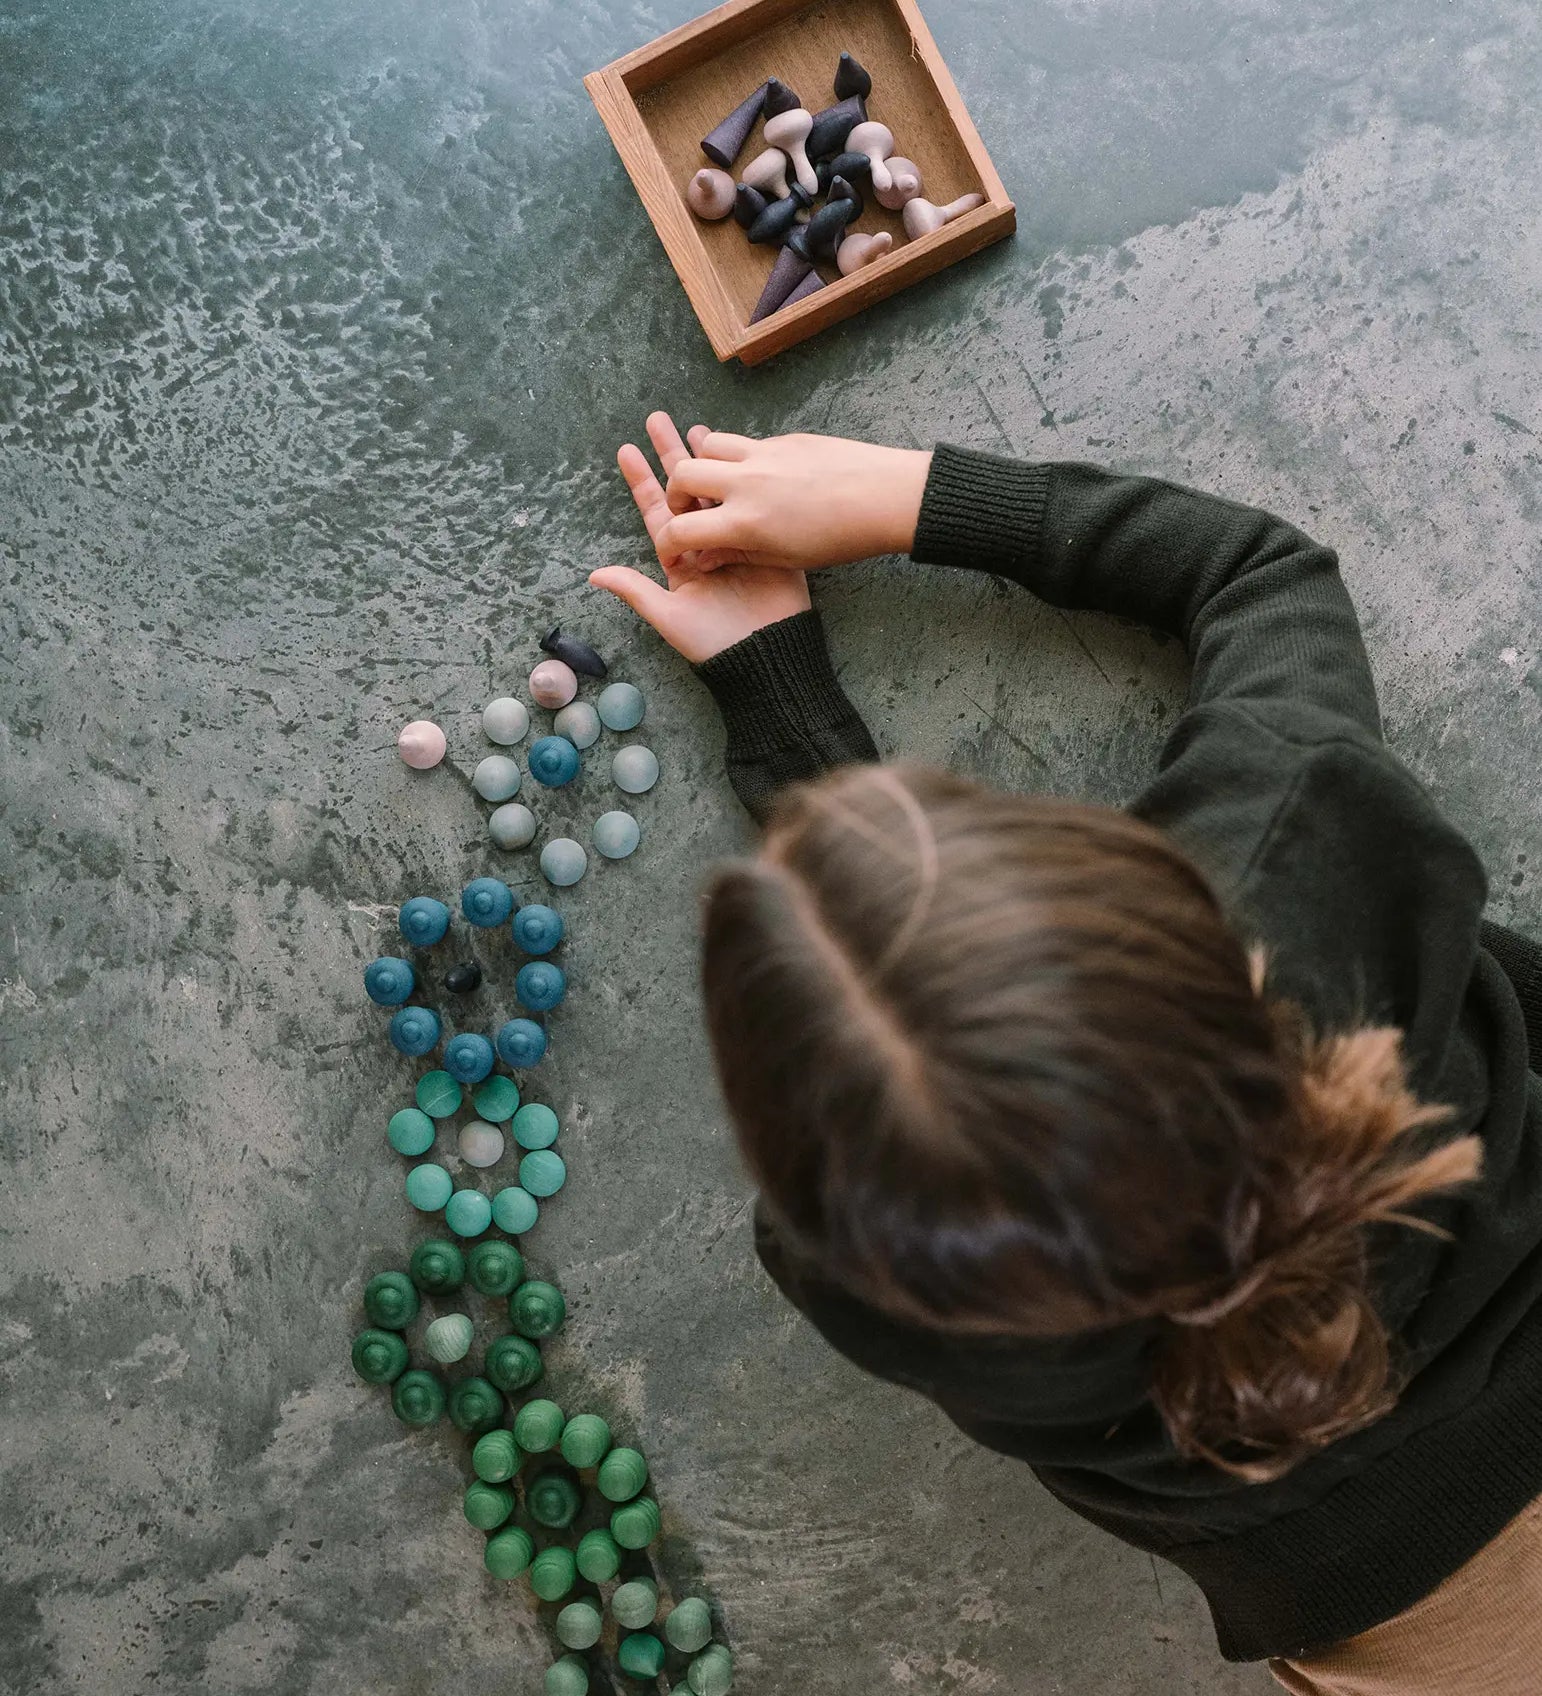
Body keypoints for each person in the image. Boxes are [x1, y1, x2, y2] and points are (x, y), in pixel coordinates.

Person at [590, 414, 1542, 1695]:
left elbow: (933, 1090)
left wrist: (791, 707)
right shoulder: (1295, 846)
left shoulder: (851, 1270)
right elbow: (1259, 576)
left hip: (1416, 1630)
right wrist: (915, 495)